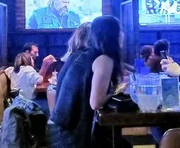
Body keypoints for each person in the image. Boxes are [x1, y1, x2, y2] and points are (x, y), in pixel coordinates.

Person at [48, 15, 128, 148]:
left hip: (58, 130)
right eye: (121, 30)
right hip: (74, 136)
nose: (123, 35)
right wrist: (119, 91)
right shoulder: (104, 59)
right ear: (113, 34)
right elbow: (95, 103)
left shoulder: (78, 54)